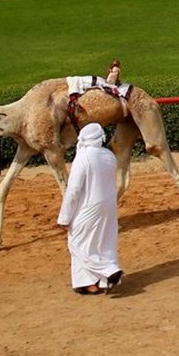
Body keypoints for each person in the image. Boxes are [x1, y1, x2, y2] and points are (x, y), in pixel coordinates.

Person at [56, 123, 123, 295]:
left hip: (89, 207)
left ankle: (109, 271)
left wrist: (64, 218)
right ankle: (92, 284)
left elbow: (73, 190)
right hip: (109, 205)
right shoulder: (109, 156)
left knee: (77, 243)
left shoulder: (83, 158)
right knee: (104, 242)